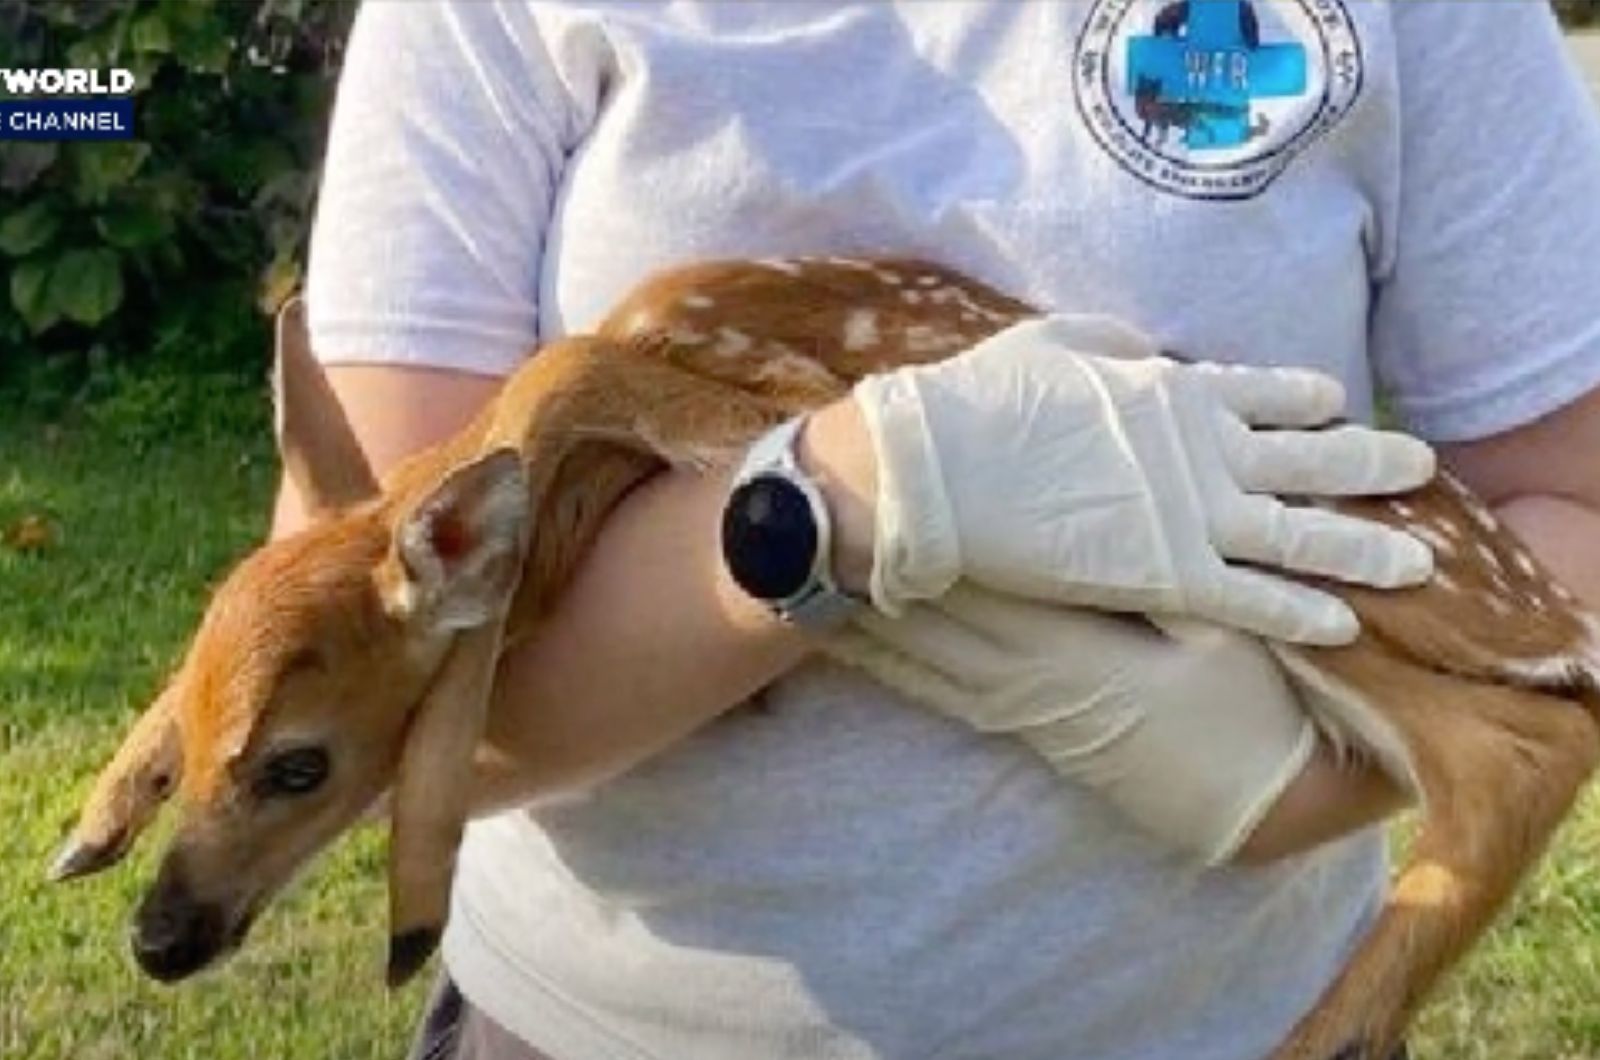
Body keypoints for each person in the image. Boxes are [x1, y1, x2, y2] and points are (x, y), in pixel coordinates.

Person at [282, 3, 1600, 1058]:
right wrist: (835, 506)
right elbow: (365, 698)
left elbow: (1576, 502)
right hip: (597, 1030)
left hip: (1228, 1024)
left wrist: (1327, 778)